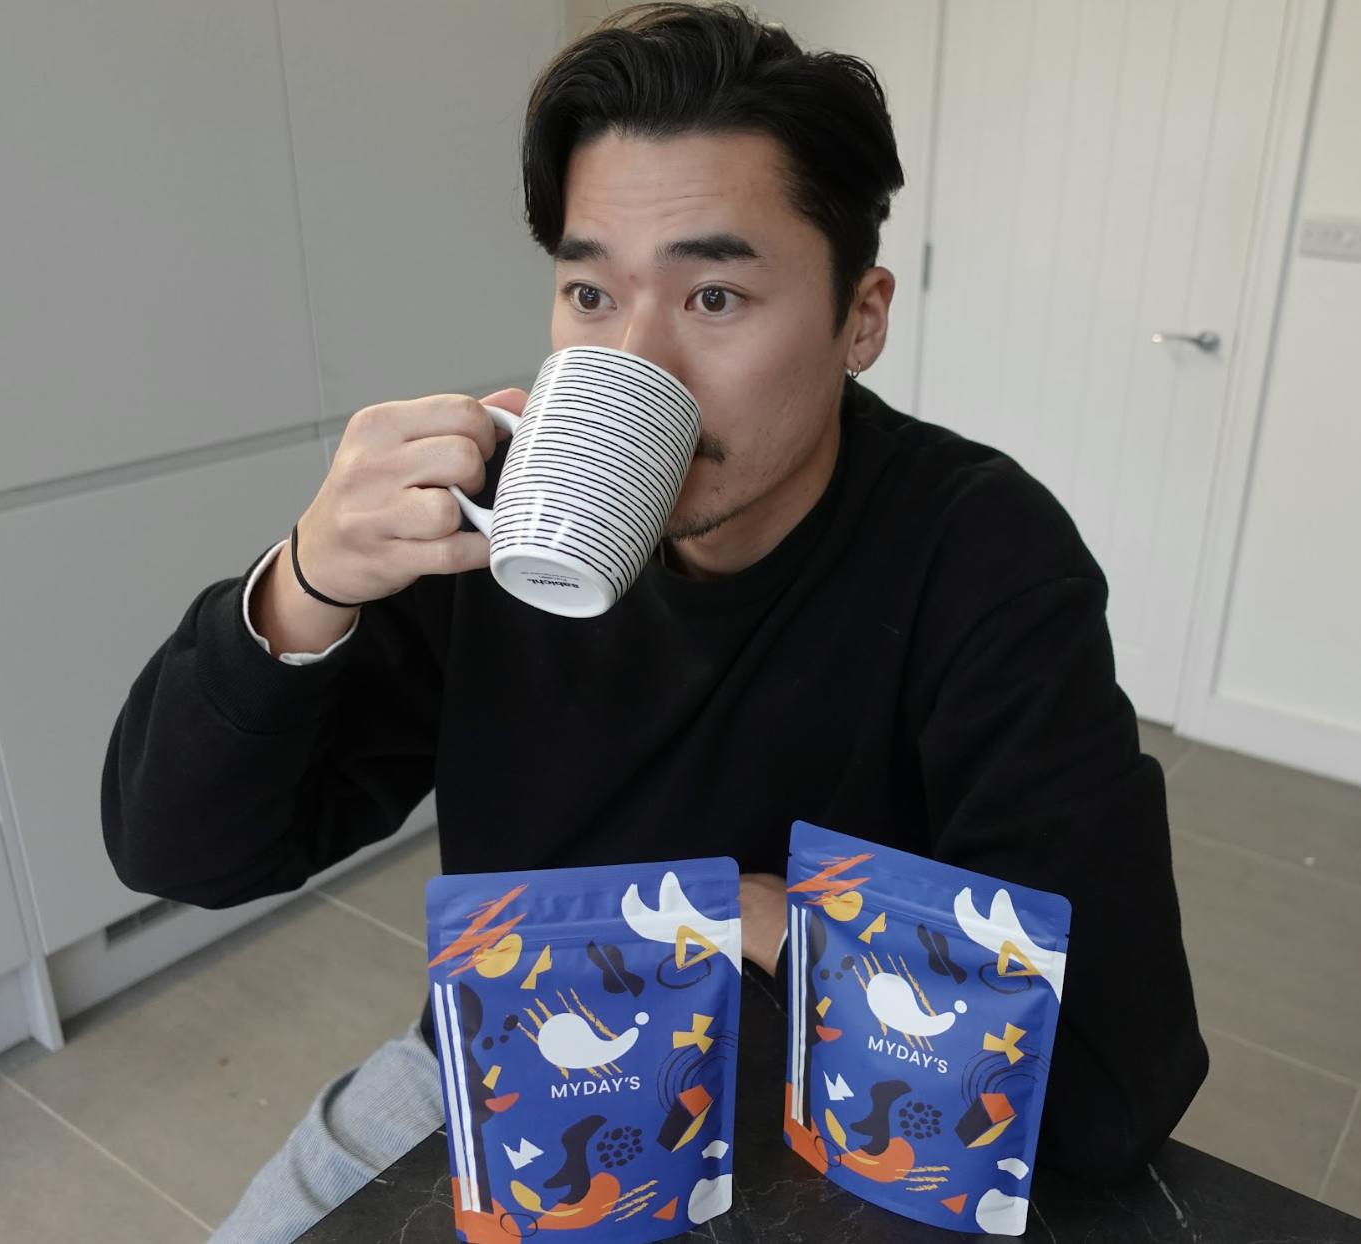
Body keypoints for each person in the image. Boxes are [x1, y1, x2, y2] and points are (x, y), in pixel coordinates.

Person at [102, 5, 1206, 1240]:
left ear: (860, 317)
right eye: (589, 291)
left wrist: (756, 913)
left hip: (821, 1104)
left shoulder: (981, 553)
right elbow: (180, 852)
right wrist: (306, 581)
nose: (639, 364)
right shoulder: (494, 517)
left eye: (715, 294)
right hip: (510, 1062)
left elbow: (1108, 1083)